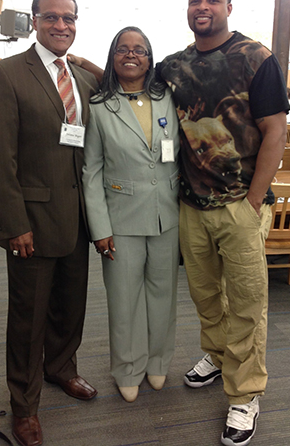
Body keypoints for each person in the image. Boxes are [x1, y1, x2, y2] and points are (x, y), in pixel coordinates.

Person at [157, 0, 290, 446]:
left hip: (240, 206)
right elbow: (127, 79)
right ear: (187, 8)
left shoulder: (256, 58)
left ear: (229, 6)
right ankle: (216, 356)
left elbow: (275, 131)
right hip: (192, 207)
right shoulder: (173, 66)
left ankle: (245, 394)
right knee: (207, 296)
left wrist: (254, 199)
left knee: (249, 304)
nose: (203, 6)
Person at [0, 0, 99, 446]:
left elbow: (125, 89)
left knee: (71, 306)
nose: (62, 25)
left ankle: (61, 369)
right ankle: (24, 405)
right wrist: (14, 224)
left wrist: (89, 64)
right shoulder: (7, 74)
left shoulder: (83, 80)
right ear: (34, 21)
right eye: (52, 17)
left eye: (70, 18)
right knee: (28, 319)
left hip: (78, 219)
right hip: (31, 220)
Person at [82, 26, 180, 403]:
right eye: (123, 48)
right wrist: (99, 228)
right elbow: (91, 172)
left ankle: (157, 363)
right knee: (124, 300)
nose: (131, 54)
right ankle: (127, 368)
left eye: (139, 49)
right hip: (119, 220)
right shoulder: (99, 107)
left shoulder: (168, 98)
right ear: (112, 57)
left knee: (163, 295)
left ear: (150, 58)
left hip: (166, 215)